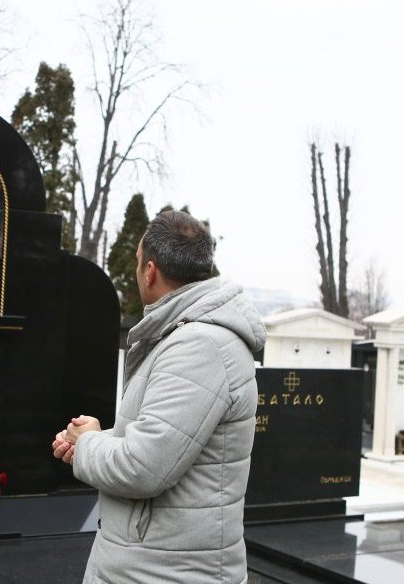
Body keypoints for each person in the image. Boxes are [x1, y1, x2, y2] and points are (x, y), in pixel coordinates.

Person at [52, 210, 266, 584]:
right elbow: (165, 442)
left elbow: (143, 467)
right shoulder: (188, 335)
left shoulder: (198, 346)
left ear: (149, 271)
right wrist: (98, 437)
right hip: (155, 562)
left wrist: (85, 445)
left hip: (164, 571)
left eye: (137, 264)